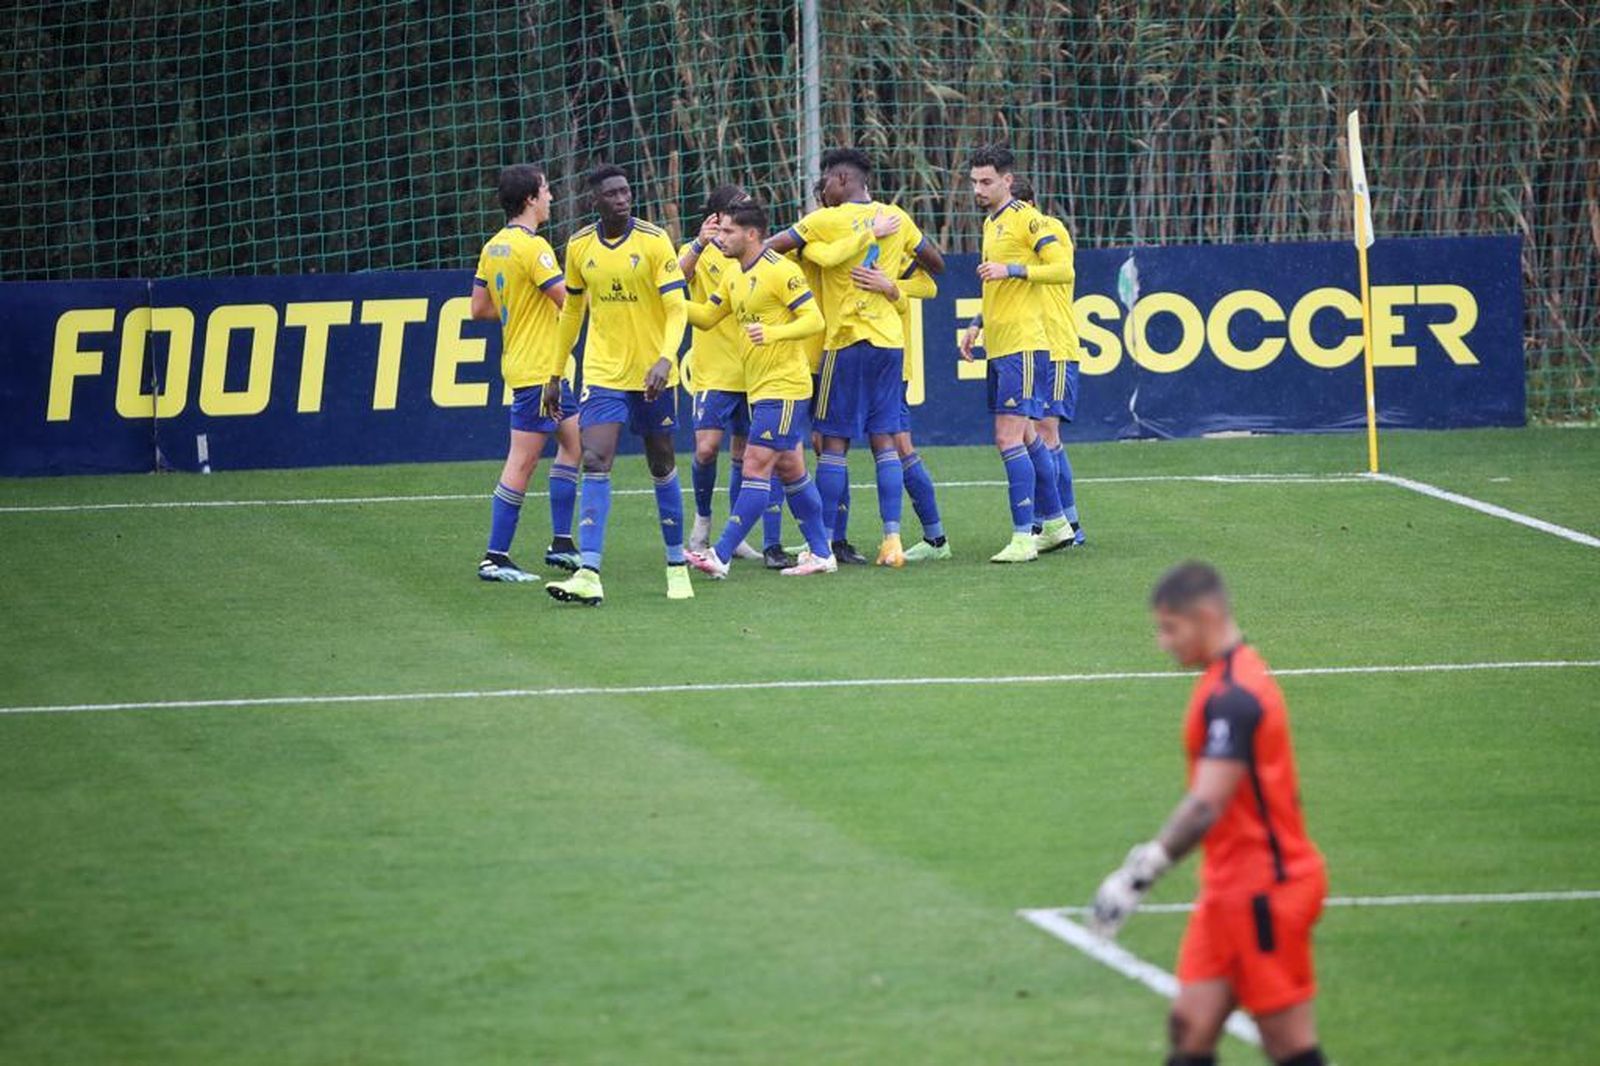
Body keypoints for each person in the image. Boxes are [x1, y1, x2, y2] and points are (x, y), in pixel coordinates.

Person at [1090, 562, 1330, 1066]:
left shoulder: (1234, 697)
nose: (1162, 642)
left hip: (1266, 891)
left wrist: (1140, 873)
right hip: (1227, 889)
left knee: (1288, 1045)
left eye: (1169, 628)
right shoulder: (1224, 680)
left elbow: (1205, 803)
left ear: (1203, 618)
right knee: (1190, 1028)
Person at [767, 147, 945, 568]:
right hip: (888, 343)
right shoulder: (896, 217)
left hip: (844, 343)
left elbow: (769, 248)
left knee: (833, 446)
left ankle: (824, 542)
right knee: (885, 441)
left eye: (826, 180)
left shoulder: (825, 221)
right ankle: (892, 540)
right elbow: (935, 263)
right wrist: (893, 281)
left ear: (843, 180)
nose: (823, 188)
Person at [546, 164, 692, 606]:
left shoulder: (653, 240)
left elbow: (677, 308)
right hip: (603, 372)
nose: (622, 199)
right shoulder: (578, 246)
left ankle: (676, 565)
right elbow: (572, 312)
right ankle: (589, 571)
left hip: (652, 373)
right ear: (595, 200)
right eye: (612, 194)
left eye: (626, 192)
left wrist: (666, 359)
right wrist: (555, 372)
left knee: (661, 461)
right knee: (594, 457)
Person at [681, 199, 837, 578]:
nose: (721, 238)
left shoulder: (781, 271)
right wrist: (668, 301)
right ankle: (821, 553)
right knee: (791, 469)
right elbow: (705, 317)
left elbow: (814, 320)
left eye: (729, 231)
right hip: (760, 388)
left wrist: (773, 332)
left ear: (751, 234)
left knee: (754, 465)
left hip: (784, 386)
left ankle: (719, 555)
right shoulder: (733, 275)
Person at [961, 145, 1075, 562]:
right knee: (1027, 436)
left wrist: (1013, 269)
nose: (978, 189)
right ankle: (1058, 523)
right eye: (974, 181)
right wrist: (977, 325)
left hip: (1025, 345)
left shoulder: (1028, 219)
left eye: (987, 181)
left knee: (1008, 437)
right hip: (1002, 344)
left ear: (1008, 181)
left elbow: (1063, 269)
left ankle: (1024, 536)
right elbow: (997, 287)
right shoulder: (992, 224)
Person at [468, 164, 582, 582]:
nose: (551, 197)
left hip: (531, 365)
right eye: (547, 190)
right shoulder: (535, 249)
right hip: (539, 371)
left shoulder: (493, 245)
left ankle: (562, 543)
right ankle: (494, 557)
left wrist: (519, 304)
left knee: (574, 445)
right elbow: (564, 300)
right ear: (531, 199)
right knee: (522, 461)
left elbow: (479, 308)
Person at [680, 184, 788, 568]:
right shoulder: (700, 253)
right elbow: (674, 281)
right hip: (713, 372)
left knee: (748, 455)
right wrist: (697, 244)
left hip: (755, 371)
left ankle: (737, 536)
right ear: (715, 219)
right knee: (707, 448)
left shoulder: (757, 257)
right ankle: (702, 523)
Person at [848, 259, 949, 560]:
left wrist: (891, 285)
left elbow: (929, 286)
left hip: (889, 362)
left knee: (898, 445)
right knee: (827, 443)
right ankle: (827, 539)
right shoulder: (844, 238)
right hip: (852, 355)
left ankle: (935, 538)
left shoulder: (896, 247)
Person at [1010, 178, 1084, 546]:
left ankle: (1065, 525)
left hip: (1056, 347)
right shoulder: (1011, 237)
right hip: (1035, 347)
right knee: (1034, 435)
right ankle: (1055, 522)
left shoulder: (1048, 229)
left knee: (1045, 434)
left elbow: (1054, 269)